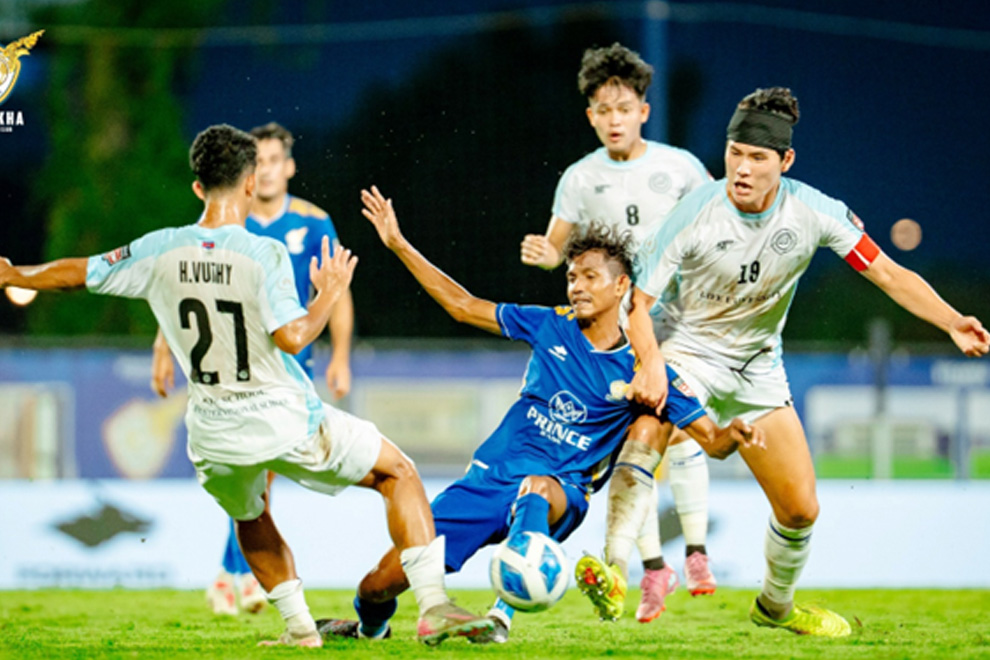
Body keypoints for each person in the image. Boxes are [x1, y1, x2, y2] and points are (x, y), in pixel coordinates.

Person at [0, 125, 494, 647]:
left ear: (197, 188)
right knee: (399, 472)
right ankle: (434, 604)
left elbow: (80, 272)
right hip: (281, 418)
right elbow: (293, 335)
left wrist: (15, 274)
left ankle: (300, 630)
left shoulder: (157, 248)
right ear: (251, 182)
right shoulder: (264, 253)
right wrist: (328, 293)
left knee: (249, 514)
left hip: (212, 436)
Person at [316, 186, 763, 644]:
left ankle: (501, 616)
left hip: (559, 491)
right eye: (572, 276)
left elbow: (712, 440)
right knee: (377, 584)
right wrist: (399, 244)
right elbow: (463, 307)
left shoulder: (647, 370)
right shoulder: (550, 322)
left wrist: (735, 432)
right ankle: (370, 631)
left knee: (536, 489)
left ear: (622, 286)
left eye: (591, 277)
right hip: (487, 481)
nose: (577, 286)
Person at [624, 87, 990, 637]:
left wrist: (951, 320)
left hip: (757, 370)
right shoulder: (695, 211)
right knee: (645, 428)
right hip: (689, 353)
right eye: (734, 153)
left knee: (800, 510)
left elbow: (887, 273)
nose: (741, 168)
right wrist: (650, 363)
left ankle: (775, 606)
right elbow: (637, 306)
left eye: (757, 157)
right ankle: (606, 565)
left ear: (785, 161)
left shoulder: (815, 211)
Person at [520, 42, 716, 623]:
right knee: (633, 445)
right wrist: (544, 254)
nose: (613, 119)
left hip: (677, 323)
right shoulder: (580, 178)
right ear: (590, 117)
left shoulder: (679, 167)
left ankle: (691, 554)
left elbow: (717, 214)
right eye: (602, 110)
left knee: (667, 426)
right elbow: (558, 249)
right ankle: (658, 565)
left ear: (643, 112)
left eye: (623, 108)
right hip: (614, 339)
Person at [151, 121, 355, 617]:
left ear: (289, 167)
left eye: (273, 160)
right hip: (233, 369)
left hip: (290, 365)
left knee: (257, 474)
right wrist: (162, 344)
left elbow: (336, 292)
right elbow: (183, 284)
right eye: (256, 161)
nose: (264, 170)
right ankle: (234, 576)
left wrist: (342, 356)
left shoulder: (313, 222)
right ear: (247, 171)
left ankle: (235, 575)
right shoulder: (227, 221)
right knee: (256, 472)